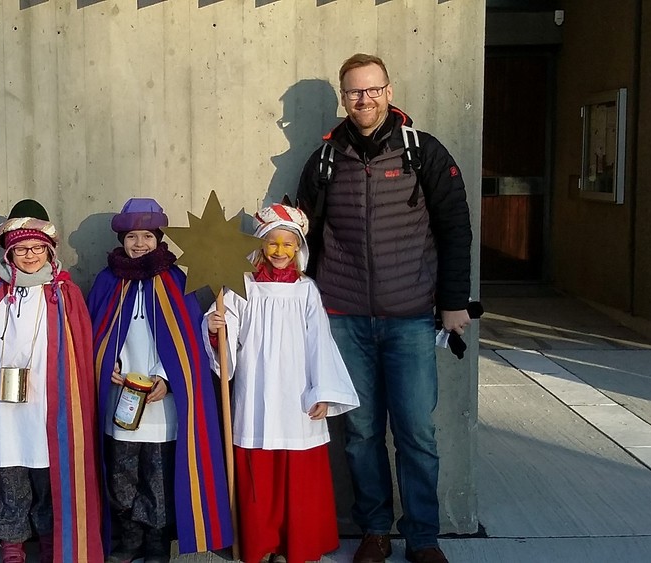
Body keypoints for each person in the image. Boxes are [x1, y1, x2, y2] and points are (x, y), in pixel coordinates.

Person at [295, 53, 473, 563]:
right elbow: (304, 236)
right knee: (361, 433)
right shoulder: (325, 160)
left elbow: (455, 229)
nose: (365, 99)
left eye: (373, 89)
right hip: (344, 319)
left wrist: (453, 303)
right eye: (355, 92)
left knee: (416, 432)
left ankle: (422, 538)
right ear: (343, 98)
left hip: (411, 317)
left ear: (389, 92)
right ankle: (375, 531)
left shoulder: (424, 152)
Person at [203, 203, 359, 563]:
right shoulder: (242, 286)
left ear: (298, 249)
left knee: (297, 470)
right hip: (256, 389)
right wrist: (214, 328)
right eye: (272, 243)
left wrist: (322, 391)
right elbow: (226, 326)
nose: (279, 251)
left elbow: (320, 342)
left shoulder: (307, 290)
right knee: (260, 468)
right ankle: (261, 541)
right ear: (260, 244)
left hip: (297, 392)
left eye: (288, 244)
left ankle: (296, 543)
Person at [0, 200, 103, 563]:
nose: (31, 255)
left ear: (49, 251)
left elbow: (78, 355)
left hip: (49, 405)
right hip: (0, 406)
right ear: (9, 253)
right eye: (22, 249)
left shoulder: (64, 294)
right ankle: (12, 544)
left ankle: (50, 539)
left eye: (38, 248)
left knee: (48, 473)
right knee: (7, 472)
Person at [86, 198, 233, 563]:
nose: (139, 244)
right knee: (121, 477)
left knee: (158, 479)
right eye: (132, 237)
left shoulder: (176, 280)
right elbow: (93, 333)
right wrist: (106, 363)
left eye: (147, 236)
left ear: (159, 239)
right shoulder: (107, 281)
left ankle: (156, 544)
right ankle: (129, 540)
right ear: (121, 240)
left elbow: (189, 342)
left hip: (163, 405)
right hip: (119, 399)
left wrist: (169, 379)